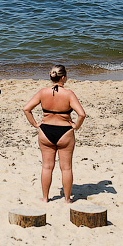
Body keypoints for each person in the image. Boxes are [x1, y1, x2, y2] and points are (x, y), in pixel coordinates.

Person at [23, 65, 87, 203]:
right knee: (66, 168)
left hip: (45, 131)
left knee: (47, 166)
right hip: (65, 132)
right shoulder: (69, 94)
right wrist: (76, 126)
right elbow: (81, 114)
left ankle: (45, 198)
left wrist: (35, 124)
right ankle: (67, 199)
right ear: (63, 77)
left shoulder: (42, 92)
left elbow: (26, 109)